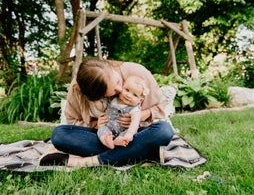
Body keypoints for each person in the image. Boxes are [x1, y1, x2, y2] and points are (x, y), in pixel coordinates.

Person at [39, 58, 174, 167]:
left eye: (117, 81)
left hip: (132, 135)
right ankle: (144, 152)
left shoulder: (137, 72)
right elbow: (72, 120)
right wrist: (96, 126)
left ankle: (88, 162)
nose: (120, 89)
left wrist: (141, 116)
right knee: (59, 135)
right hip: (103, 136)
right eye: (114, 92)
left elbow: (161, 105)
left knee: (164, 131)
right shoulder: (79, 88)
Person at [97, 75, 149, 149]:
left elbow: (135, 122)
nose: (128, 95)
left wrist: (129, 134)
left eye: (134, 95)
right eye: (127, 90)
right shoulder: (112, 99)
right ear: (122, 87)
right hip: (107, 128)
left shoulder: (134, 109)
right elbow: (101, 108)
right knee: (101, 131)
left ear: (140, 100)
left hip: (124, 130)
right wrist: (95, 101)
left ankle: (119, 141)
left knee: (126, 136)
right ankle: (107, 141)